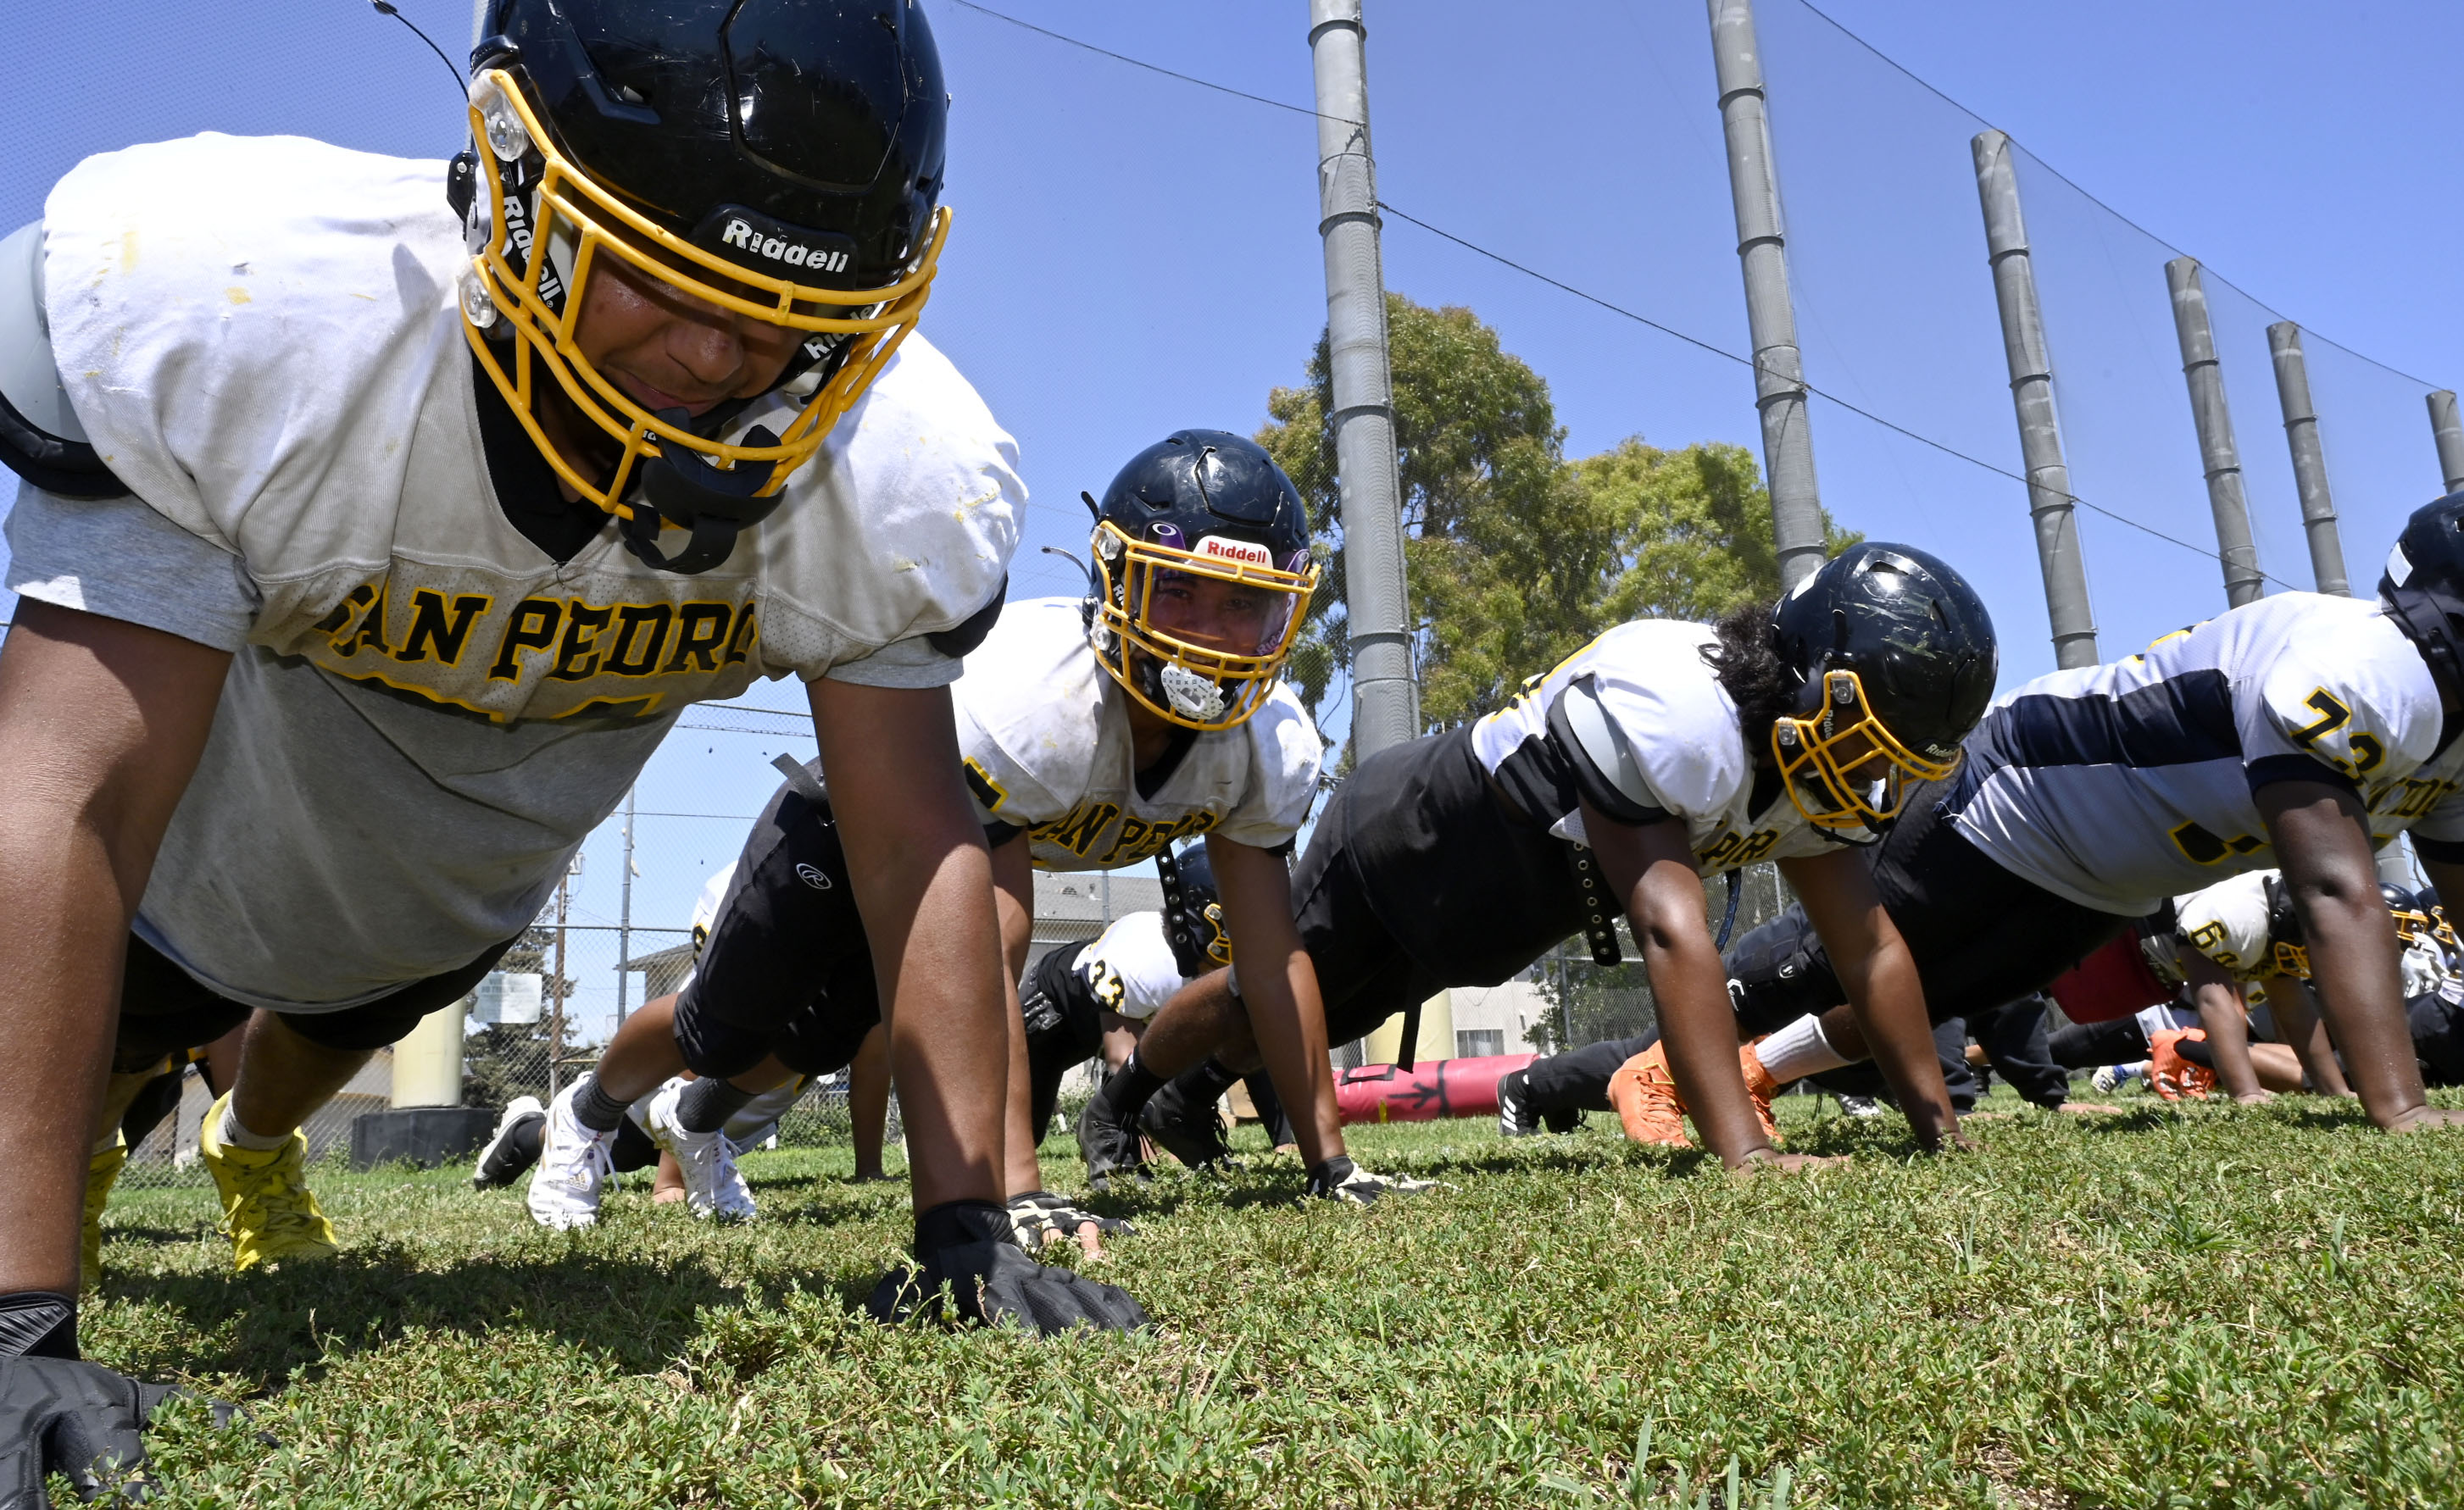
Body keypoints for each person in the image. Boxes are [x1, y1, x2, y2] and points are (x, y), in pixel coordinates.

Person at [0, 0, 1099, 1474]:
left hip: (451, 901)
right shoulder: (259, 310)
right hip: (179, 875)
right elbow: (66, 799)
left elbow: (914, 846)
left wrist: (970, 1227)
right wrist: (14, 1317)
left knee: (342, 1016)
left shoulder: (891, 469)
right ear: (513, 180)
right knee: (110, 1049)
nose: (718, 352)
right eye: (656, 275)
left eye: (788, 311)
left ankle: (241, 1152)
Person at [523, 430, 1368, 1244]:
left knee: (818, 1045)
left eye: (1242, 606)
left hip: (941, 869)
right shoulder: (1041, 702)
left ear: (1285, 614)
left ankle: (695, 1127)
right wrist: (1018, 1192)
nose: (1205, 636)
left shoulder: (1268, 748)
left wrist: (1333, 1164)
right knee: (722, 1027)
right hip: (844, 828)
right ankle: (584, 1113)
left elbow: (1269, 960)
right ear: (1118, 582)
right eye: (1178, 593)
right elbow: (991, 946)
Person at [1080, 543, 2001, 1175]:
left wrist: (1941, 1130)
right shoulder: (1683, 704)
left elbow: (1868, 947)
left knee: (1298, 1026)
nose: (1874, 772)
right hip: (1412, 839)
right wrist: (1747, 1156)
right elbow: (1670, 927)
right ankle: (1123, 1100)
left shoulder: (1808, 767)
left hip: (1495, 918)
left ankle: (1186, 1096)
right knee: (1265, 999)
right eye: (1866, 738)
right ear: (1805, 675)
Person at [1672, 498, 2464, 1137]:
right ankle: (1618, 1073)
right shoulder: (2367, 671)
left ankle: (1755, 1072)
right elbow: (2332, 892)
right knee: (1827, 960)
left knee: (1936, 994)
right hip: (2026, 792)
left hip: (2113, 878)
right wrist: (2400, 1106)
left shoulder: (2446, 723)